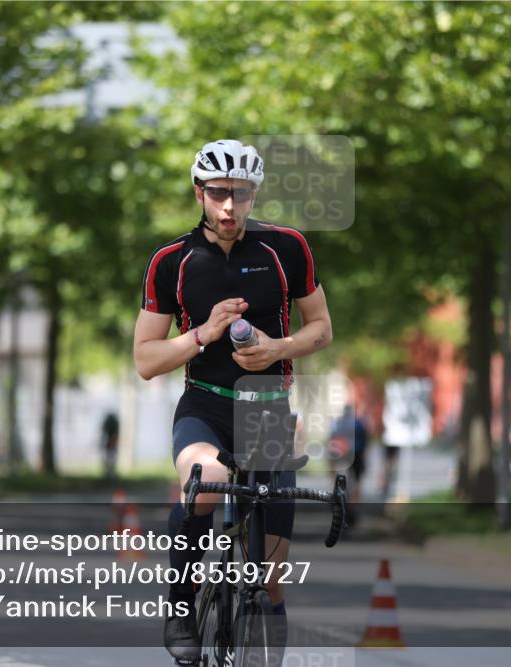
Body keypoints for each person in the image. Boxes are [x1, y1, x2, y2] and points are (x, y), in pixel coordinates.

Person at [133, 139, 332, 663]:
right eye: (218, 193)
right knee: (207, 482)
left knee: (271, 580)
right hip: (205, 404)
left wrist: (278, 349)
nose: (229, 207)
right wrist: (203, 333)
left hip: (268, 408)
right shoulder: (172, 260)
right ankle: (181, 602)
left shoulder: (287, 247)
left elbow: (322, 329)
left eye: (241, 195)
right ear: (199, 192)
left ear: (253, 195)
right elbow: (147, 359)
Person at [327, 401, 368, 526]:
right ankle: (353, 509)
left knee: (338, 480)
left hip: (341, 454)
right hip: (357, 454)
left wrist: (331, 463)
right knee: (357, 482)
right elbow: (366, 440)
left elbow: (331, 441)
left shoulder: (338, 423)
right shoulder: (359, 423)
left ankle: (338, 502)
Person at [99, 411, 120, 480]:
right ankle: (109, 474)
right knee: (109, 460)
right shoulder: (114, 424)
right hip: (109, 444)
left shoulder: (111, 424)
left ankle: (110, 474)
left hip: (111, 444)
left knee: (110, 460)